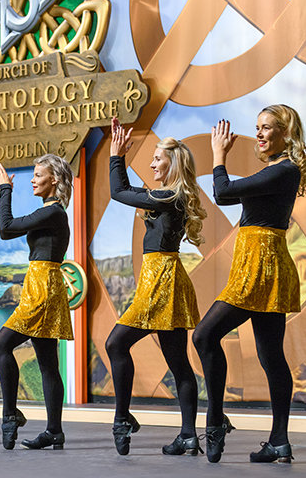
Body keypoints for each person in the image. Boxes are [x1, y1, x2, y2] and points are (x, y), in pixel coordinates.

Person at [193, 105, 306, 463]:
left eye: (267, 128)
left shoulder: (285, 170)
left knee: (204, 335)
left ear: (286, 133)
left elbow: (223, 192)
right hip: (259, 262)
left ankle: (215, 420)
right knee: (271, 354)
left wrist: (218, 154)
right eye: (257, 127)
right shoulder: (276, 170)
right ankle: (279, 442)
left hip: (261, 266)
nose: (258, 133)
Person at [105, 118, 207, 456]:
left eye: (157, 159)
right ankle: (188, 435)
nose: (151, 165)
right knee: (178, 361)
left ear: (173, 163)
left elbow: (118, 192)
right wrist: (120, 155)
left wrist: (116, 155)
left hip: (162, 279)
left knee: (116, 342)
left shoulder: (169, 195)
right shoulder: (168, 196)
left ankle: (122, 418)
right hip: (163, 277)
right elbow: (127, 191)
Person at [0, 154, 73, 451]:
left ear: (54, 179)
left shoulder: (53, 212)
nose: (33, 180)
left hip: (43, 288)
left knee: (0, 344)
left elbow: (6, 227)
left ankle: (10, 414)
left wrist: (5, 190)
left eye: (38, 175)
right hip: (40, 285)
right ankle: (54, 432)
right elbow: (8, 229)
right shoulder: (51, 212)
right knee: (48, 363)